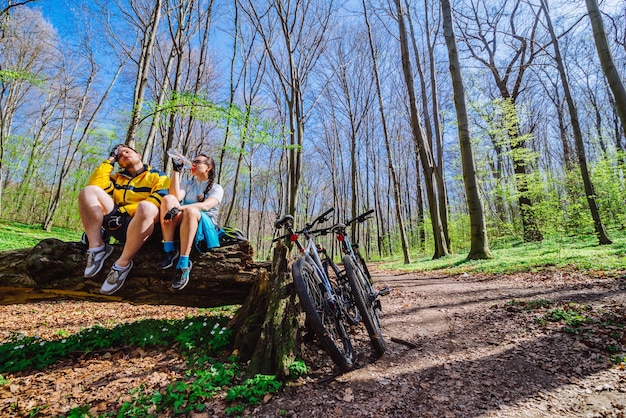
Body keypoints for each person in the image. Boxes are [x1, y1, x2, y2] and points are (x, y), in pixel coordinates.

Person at [78, 144, 170, 295]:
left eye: (128, 151)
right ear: (119, 162)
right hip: (119, 224)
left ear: (139, 155)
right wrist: (110, 160)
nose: (124, 155)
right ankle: (97, 248)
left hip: (147, 228)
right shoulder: (117, 179)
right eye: (120, 155)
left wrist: (126, 210)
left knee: (146, 207)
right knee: (88, 191)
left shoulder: (157, 176)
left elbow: (160, 198)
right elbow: (95, 185)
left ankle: (122, 264)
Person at [159, 153, 223, 290]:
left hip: (206, 228)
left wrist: (180, 208)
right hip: (185, 223)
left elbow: (205, 206)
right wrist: (176, 171)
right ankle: (169, 249)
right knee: (167, 199)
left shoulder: (217, 188)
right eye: (192, 161)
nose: (193, 164)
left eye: (198, 162)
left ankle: (183, 263)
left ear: (208, 167)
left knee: (191, 211)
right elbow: (175, 197)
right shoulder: (187, 184)